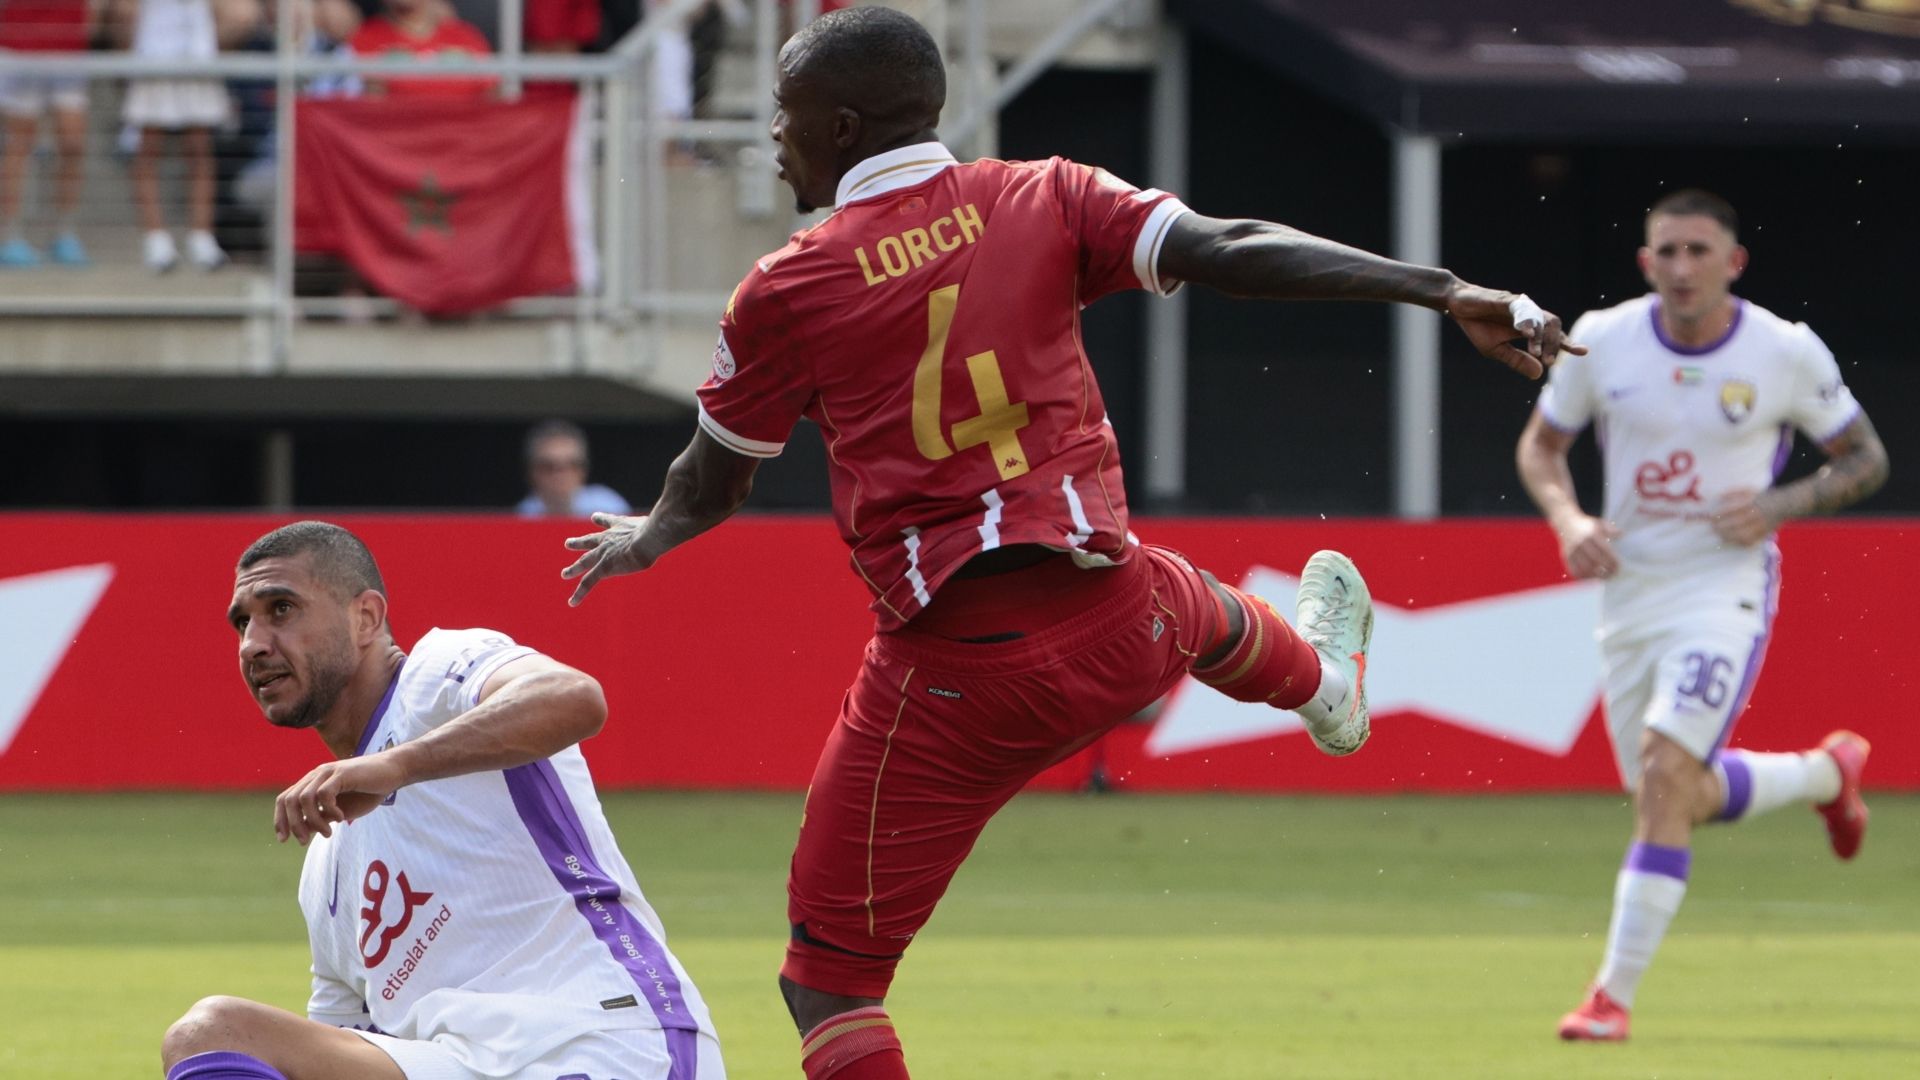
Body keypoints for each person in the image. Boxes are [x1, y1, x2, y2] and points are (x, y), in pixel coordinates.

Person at [559, 9, 1574, 1078]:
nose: (772, 136)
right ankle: (1322, 682)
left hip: (951, 679)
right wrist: (1442, 287)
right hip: (1118, 619)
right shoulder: (1044, 193)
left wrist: (653, 535)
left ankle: (1323, 681)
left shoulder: (788, 287)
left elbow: (714, 482)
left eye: (785, 114)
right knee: (1178, 598)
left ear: (843, 125)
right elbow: (1231, 250)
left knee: (829, 984)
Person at [1515, 188, 1889, 1043]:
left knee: (1661, 775)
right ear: (1646, 264)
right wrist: (1569, 520)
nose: (1682, 268)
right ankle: (1827, 775)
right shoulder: (1602, 339)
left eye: (1698, 252)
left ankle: (1609, 998)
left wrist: (1782, 504)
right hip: (1629, 593)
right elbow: (1541, 446)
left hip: (1723, 592)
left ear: (1733, 262)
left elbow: (1865, 458)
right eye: (1666, 254)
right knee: (1670, 794)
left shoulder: (1784, 351)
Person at [164, 520, 724, 1079]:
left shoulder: (437, 672)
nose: (253, 644)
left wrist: (394, 765)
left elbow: (573, 697)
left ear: (366, 618)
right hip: (458, 1064)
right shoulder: (325, 869)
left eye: (281, 609)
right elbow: (340, 1044)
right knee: (211, 1034)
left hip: (599, 1042)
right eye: (243, 622)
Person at [124, 0, 234, 271]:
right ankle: (155, 239)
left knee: (199, 150)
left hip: (199, 58)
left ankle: (201, 237)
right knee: (148, 151)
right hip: (153, 57)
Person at [0, 0, 93, 267]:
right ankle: (11, 237)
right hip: (20, 44)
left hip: (69, 47)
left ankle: (65, 234)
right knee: (19, 143)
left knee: (73, 141)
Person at [349, 0, 494, 100]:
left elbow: (493, 96)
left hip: (464, 138)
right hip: (394, 139)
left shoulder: (466, 37)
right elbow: (367, 108)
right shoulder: (364, 40)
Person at [517, 418, 632, 518]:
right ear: (531, 472)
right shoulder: (521, 516)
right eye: (549, 467)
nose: (560, 475)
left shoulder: (609, 508)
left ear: (583, 470)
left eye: (571, 465)